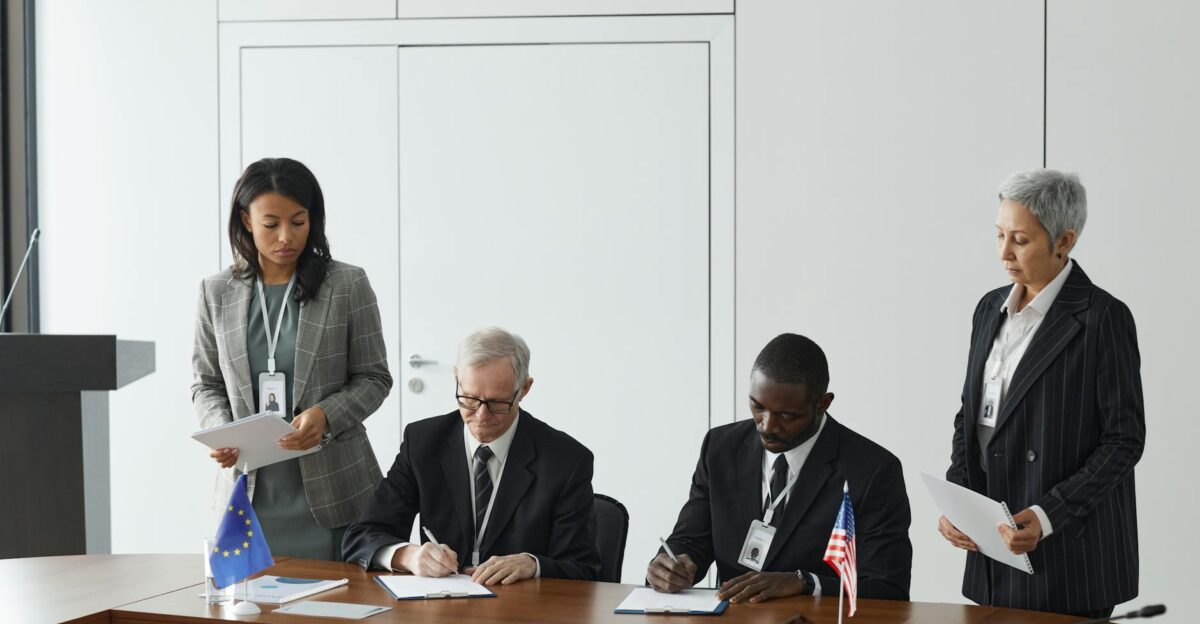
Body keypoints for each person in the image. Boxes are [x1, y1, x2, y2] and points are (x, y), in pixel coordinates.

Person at [941, 169, 1144, 619]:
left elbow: (1124, 440)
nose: (1004, 253)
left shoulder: (1102, 318)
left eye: (1020, 240)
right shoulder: (987, 308)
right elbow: (969, 417)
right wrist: (959, 500)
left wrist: (1049, 514)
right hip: (993, 553)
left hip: (1071, 557)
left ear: (1064, 241)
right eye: (998, 235)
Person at [192, 157, 393, 560]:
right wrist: (221, 430)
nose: (286, 237)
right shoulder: (216, 291)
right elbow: (206, 383)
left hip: (335, 492)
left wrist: (326, 414)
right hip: (249, 491)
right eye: (271, 224)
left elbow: (374, 377)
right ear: (246, 221)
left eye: (298, 222)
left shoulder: (347, 284)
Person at [648, 334, 912, 604]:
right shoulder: (720, 447)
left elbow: (888, 587)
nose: (767, 425)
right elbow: (692, 540)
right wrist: (671, 565)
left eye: (787, 416)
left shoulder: (873, 470)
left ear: (823, 403)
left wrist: (805, 583)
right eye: (757, 406)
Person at [342, 327, 601, 583]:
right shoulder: (422, 443)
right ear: (456, 378)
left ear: (524, 389)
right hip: (440, 608)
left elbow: (584, 568)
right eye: (468, 399)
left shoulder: (566, 460)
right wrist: (408, 556)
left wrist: (533, 564)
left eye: (497, 403)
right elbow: (362, 536)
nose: (480, 416)